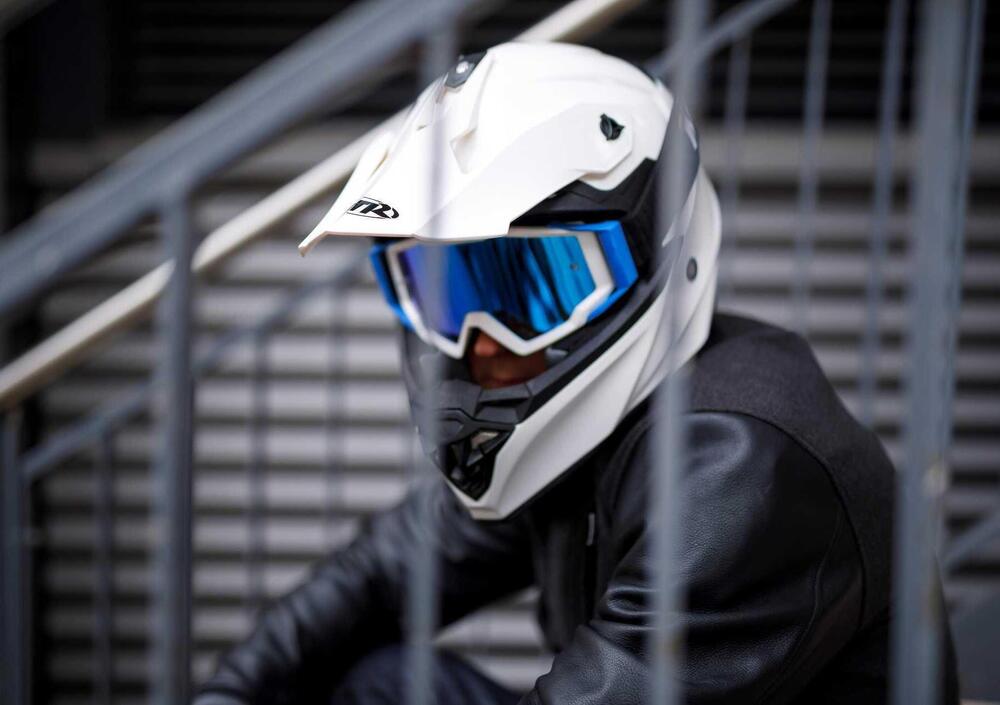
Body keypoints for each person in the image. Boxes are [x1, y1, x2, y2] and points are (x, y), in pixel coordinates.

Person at [194, 42, 958, 704]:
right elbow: (388, 572)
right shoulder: (585, 428)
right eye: (449, 294)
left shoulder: (740, 464)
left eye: (534, 290)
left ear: (654, 251)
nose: (481, 346)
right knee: (385, 684)